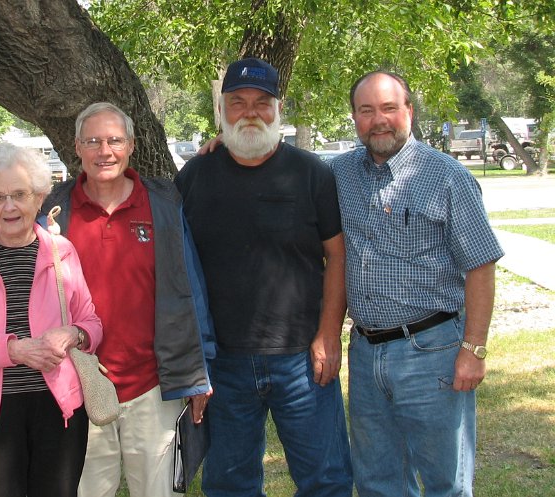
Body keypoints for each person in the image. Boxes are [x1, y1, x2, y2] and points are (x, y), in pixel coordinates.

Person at [175, 58, 352, 497]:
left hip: (302, 360)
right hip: (223, 363)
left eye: (262, 103)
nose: (250, 112)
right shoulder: (195, 176)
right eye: (238, 103)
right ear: (221, 110)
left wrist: (329, 334)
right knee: (229, 484)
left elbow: (338, 257)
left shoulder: (312, 174)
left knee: (325, 480)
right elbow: (178, 268)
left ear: (278, 109)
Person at [331, 70, 504, 497]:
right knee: (376, 481)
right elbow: (278, 166)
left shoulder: (446, 177)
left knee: (445, 481)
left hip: (433, 353)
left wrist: (473, 349)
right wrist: (224, 145)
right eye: (367, 110)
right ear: (354, 117)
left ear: (409, 111)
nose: (379, 120)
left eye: (389, 108)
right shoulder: (338, 175)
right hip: (367, 355)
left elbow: (481, 265)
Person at [41, 101, 214, 497]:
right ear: (77, 147)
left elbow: (192, 290)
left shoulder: (163, 204)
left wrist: (197, 372)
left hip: (153, 384)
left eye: (115, 140)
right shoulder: (53, 210)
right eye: (94, 141)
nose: (105, 151)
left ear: (131, 145)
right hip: (80, 383)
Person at [0, 143, 102, 497]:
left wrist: (72, 333)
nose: (9, 206)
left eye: (19, 195)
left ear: (39, 197)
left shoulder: (62, 252)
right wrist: (14, 350)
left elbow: (92, 323)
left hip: (58, 409)